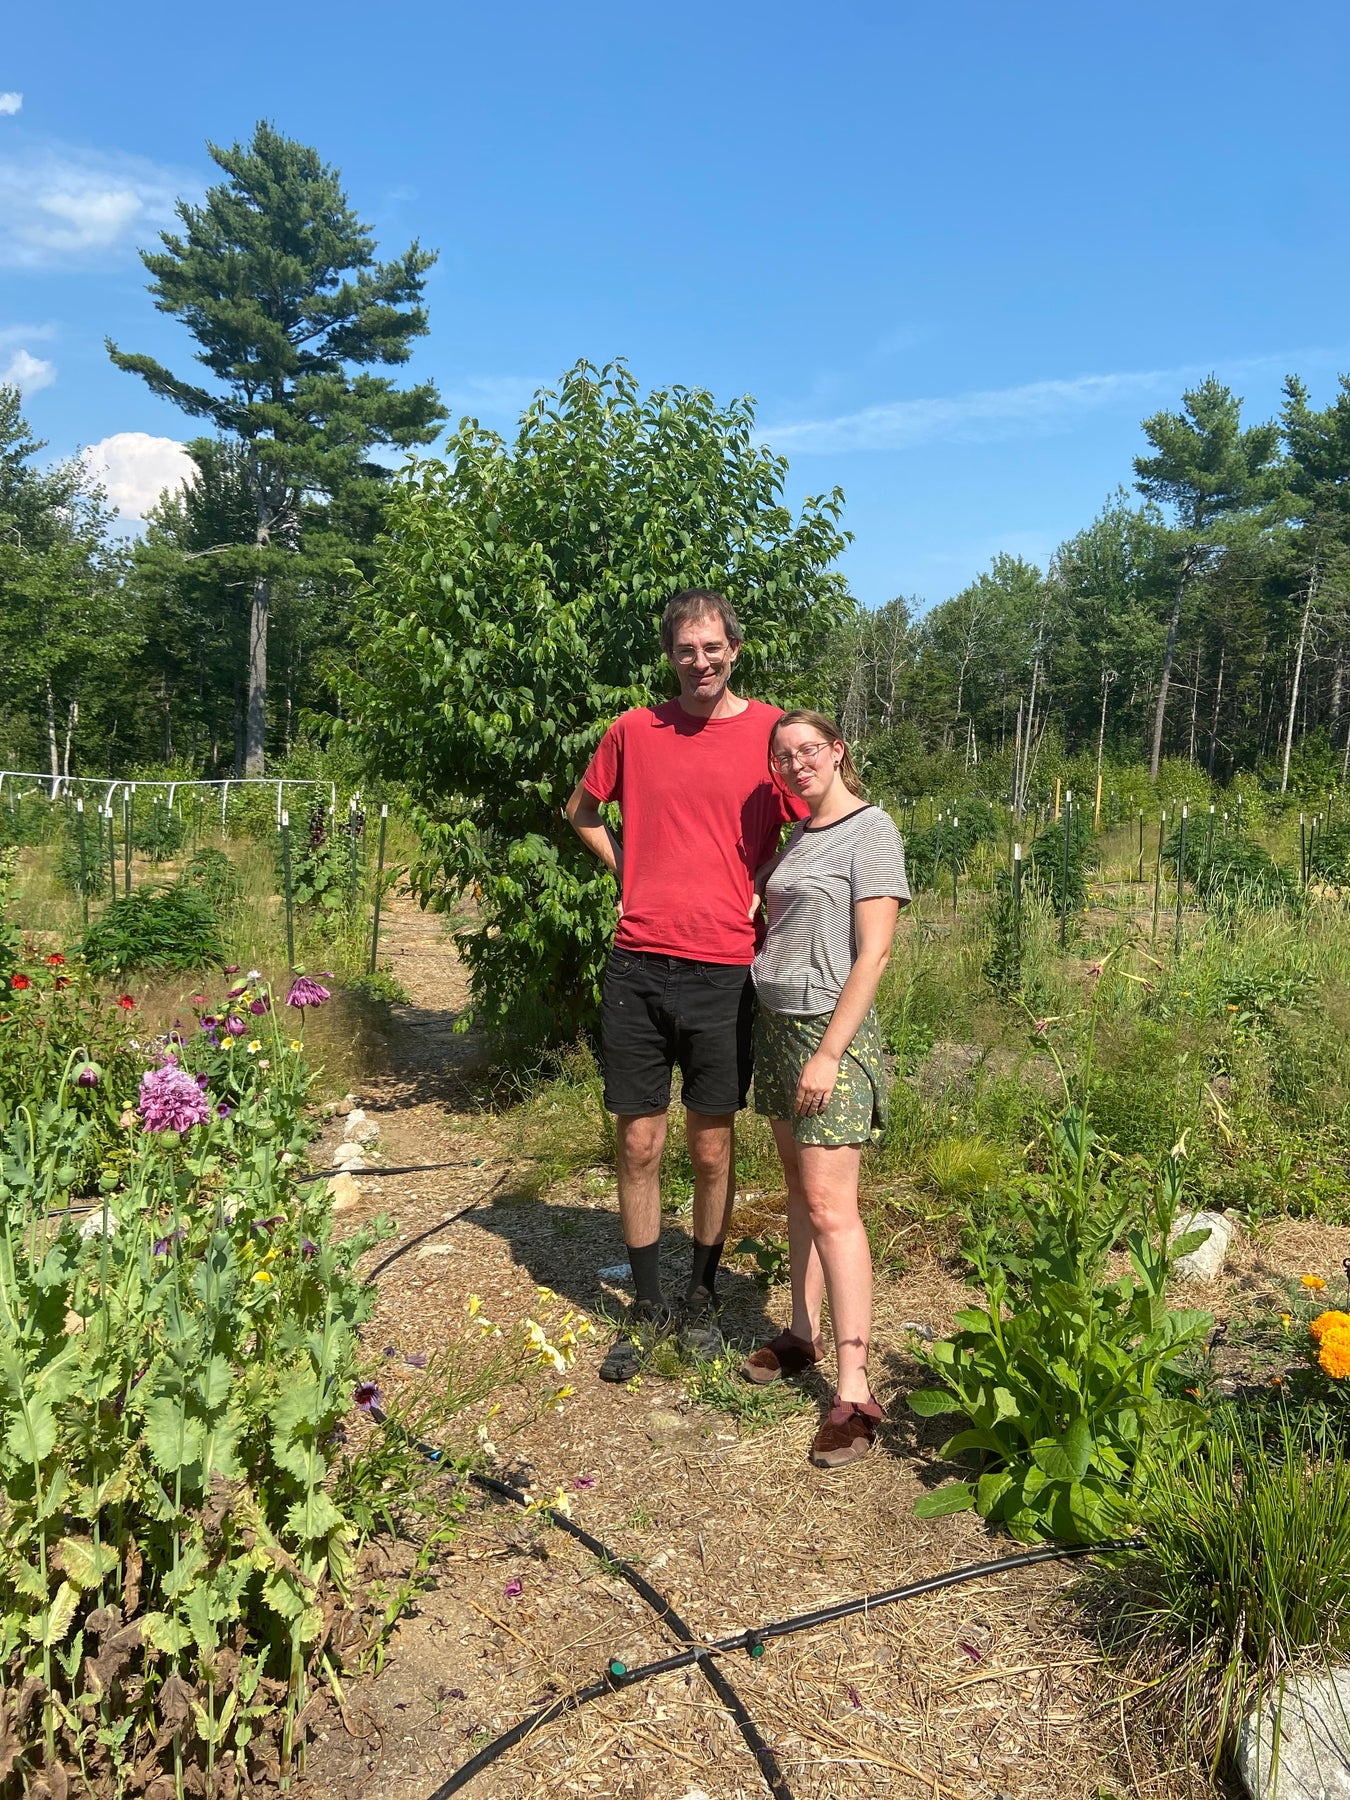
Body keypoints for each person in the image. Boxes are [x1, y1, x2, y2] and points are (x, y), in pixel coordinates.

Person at [566, 589, 805, 1383]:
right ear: (669, 657)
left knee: (710, 1147)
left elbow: (815, 821)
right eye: (684, 650)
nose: (699, 661)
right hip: (637, 964)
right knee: (639, 1141)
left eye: (711, 647)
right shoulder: (635, 730)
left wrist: (764, 878)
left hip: (725, 968)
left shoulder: (771, 735)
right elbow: (582, 811)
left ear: (735, 649)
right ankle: (647, 1302)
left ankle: (700, 1298)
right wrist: (625, 872)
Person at [742, 710, 908, 1468]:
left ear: (838, 751)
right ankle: (801, 1334)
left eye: (809, 750)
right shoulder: (799, 836)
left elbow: (872, 954)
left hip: (823, 1036)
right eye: (784, 756)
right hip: (777, 1030)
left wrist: (831, 1054)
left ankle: (854, 1391)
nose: (797, 763)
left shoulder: (871, 830)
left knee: (835, 1210)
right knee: (798, 1193)